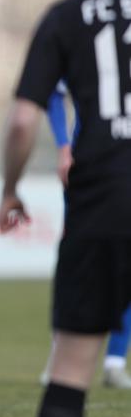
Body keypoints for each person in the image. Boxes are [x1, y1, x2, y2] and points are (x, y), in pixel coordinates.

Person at [0, 0, 131, 417]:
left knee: (72, 368)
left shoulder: (64, 15)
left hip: (100, 202)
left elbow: (24, 120)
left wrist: (10, 189)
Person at [42, 82, 131, 389]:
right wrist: (64, 144)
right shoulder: (89, 37)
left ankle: (115, 361)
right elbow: (54, 93)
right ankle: (60, 356)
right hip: (89, 168)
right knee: (78, 262)